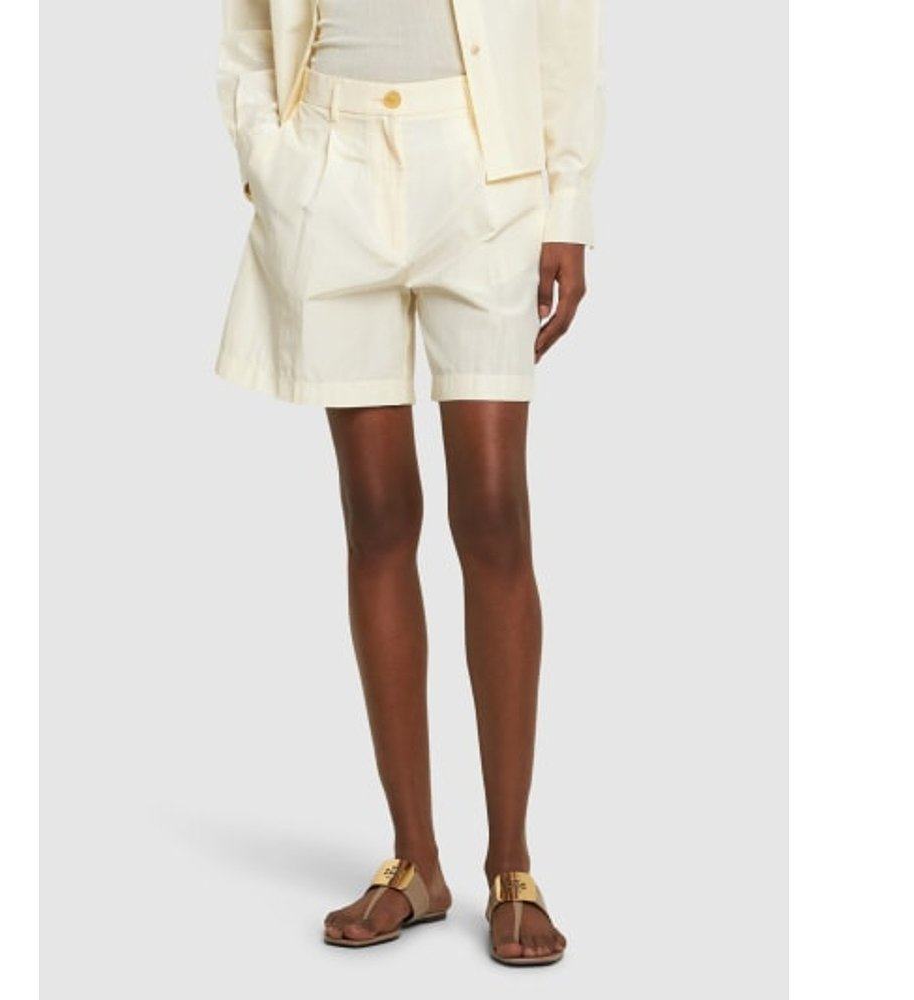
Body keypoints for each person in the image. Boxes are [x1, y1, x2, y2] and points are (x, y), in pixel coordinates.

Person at [216, 0, 602, 966]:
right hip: (329, 161)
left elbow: (565, 28)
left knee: (494, 513)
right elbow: (248, 28)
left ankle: (510, 864)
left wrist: (567, 209)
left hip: (482, 168)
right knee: (379, 515)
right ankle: (415, 861)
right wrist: (268, 154)